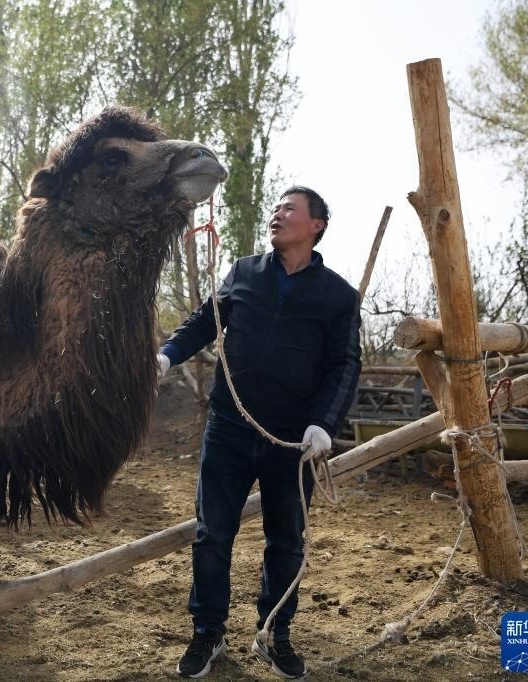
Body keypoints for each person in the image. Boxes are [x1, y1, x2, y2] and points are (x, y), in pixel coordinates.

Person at [160, 186, 361, 679]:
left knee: (286, 541)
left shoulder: (338, 295)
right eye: (275, 208)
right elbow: (205, 321)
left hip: (291, 440)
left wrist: (324, 424)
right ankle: (207, 633)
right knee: (212, 534)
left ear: (316, 225)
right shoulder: (244, 272)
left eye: (289, 208)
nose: (277, 214)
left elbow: (344, 364)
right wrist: (166, 355)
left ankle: (274, 633)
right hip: (229, 427)